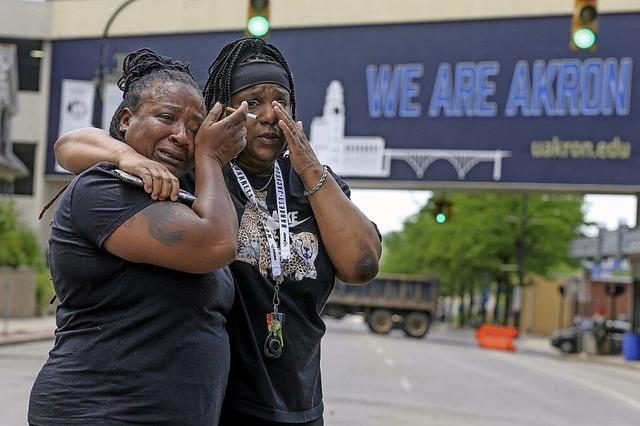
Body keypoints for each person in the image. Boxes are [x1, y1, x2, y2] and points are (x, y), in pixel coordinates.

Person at [55, 37, 382, 425]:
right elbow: (71, 145)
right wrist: (127, 155)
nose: (269, 115)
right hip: (218, 406)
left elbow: (361, 264)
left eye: (281, 101)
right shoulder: (198, 171)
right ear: (221, 114)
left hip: (299, 406)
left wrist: (309, 167)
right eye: (253, 102)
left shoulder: (314, 185)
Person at [29, 48, 248, 425]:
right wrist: (129, 156)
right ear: (126, 120)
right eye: (166, 117)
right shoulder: (104, 187)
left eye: (195, 130)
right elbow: (218, 244)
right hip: (100, 412)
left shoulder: (183, 194)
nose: (182, 136)